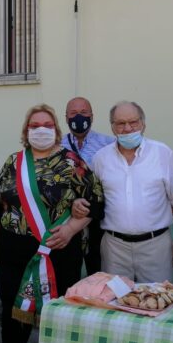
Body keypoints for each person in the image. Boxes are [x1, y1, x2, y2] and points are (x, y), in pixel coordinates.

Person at [0, 104, 103, 343]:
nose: (41, 129)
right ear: (26, 131)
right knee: (13, 309)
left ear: (56, 130)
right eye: (35, 124)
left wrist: (72, 229)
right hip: (14, 249)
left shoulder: (73, 162)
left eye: (47, 124)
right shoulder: (13, 162)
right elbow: (0, 205)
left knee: (55, 313)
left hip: (59, 249)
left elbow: (96, 202)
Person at [86, 101, 173, 343]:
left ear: (143, 123)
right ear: (112, 126)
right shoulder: (101, 158)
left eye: (133, 123)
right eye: (120, 124)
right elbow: (95, 200)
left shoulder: (163, 153)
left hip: (155, 243)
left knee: (159, 311)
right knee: (117, 310)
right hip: (114, 244)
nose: (127, 129)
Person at [61, 96, 115, 275]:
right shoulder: (57, 145)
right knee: (68, 269)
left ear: (91, 116)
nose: (79, 117)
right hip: (68, 216)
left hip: (98, 216)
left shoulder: (109, 144)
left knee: (98, 268)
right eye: (74, 113)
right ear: (66, 117)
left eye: (83, 113)